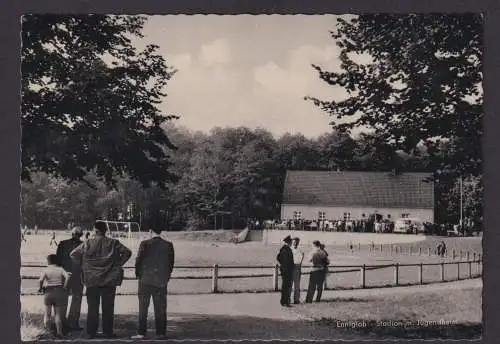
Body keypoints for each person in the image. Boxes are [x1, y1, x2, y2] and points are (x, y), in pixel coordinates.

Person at [70, 221, 132, 339]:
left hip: (92, 279)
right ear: (105, 230)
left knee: (92, 307)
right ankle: (108, 332)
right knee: (108, 307)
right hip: (109, 279)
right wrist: (118, 264)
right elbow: (127, 252)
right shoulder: (113, 243)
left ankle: (91, 332)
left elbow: (73, 254)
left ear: (95, 230)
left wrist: (83, 265)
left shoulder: (87, 243)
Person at [131, 228, 175, 339]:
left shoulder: (144, 243)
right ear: (161, 232)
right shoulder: (168, 245)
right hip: (160, 280)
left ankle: (141, 332)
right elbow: (170, 264)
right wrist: (166, 276)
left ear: (150, 231)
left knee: (143, 307)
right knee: (160, 307)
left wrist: (138, 275)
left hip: (145, 279)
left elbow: (138, 260)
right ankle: (161, 333)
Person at [56, 226, 84, 331]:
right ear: (81, 235)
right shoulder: (83, 245)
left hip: (64, 275)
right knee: (76, 299)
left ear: (72, 234)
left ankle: (62, 323)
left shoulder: (62, 244)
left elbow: (57, 260)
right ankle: (73, 323)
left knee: (63, 299)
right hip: (78, 275)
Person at [38, 254, 71, 338]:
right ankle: (59, 333)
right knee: (58, 315)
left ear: (48, 261)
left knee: (47, 314)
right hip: (59, 292)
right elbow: (67, 277)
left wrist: (40, 288)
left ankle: (48, 333)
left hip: (48, 292)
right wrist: (65, 286)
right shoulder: (60, 269)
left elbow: (41, 280)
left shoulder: (45, 270)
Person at [276, 235, 294, 307]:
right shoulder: (287, 249)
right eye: (291, 241)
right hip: (287, 271)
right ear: (288, 242)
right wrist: (285, 267)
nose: (291, 242)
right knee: (286, 286)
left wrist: (281, 265)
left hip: (284, 270)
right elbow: (287, 261)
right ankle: (285, 301)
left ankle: (283, 301)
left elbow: (278, 257)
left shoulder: (283, 249)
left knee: (285, 286)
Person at [290, 237, 304, 304]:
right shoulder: (289, 249)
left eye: (297, 242)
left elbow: (302, 256)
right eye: (294, 242)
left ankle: (296, 300)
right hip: (291, 267)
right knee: (289, 284)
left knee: (297, 285)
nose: (295, 243)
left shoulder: (300, 250)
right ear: (292, 242)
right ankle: (288, 299)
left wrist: (299, 264)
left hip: (297, 267)